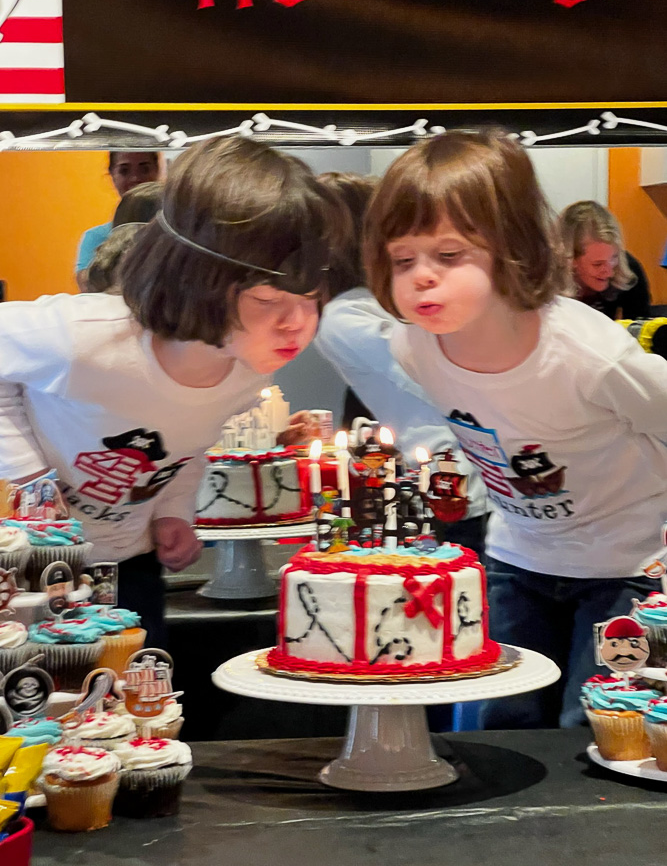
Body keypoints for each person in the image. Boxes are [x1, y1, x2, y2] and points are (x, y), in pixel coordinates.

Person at [364, 130, 667, 729]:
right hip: (514, 561)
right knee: (494, 727)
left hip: (623, 570)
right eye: (404, 259)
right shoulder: (412, 346)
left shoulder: (588, 355)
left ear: (515, 250)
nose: (422, 276)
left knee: (596, 731)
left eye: (449, 255)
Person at [0, 136, 336, 646]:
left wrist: (174, 510)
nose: (297, 323)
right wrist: (29, 476)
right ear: (194, 278)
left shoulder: (247, 374)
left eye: (312, 298)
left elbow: (187, 443)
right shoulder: (86, 339)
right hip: (24, 566)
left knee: (139, 703)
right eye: (268, 297)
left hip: (131, 565)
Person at [315, 171, 489, 559]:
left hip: (481, 480)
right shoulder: (343, 318)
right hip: (454, 486)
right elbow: (427, 372)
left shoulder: (379, 305)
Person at [75, 152, 162, 291]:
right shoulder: (95, 237)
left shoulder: (180, 230)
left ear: (157, 170)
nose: (135, 178)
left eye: (144, 169)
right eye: (124, 171)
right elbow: (87, 288)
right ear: (112, 175)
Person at [558, 200, 651, 321]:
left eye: (614, 258)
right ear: (571, 259)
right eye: (598, 264)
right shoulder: (545, 278)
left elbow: (641, 329)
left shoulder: (629, 269)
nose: (609, 272)